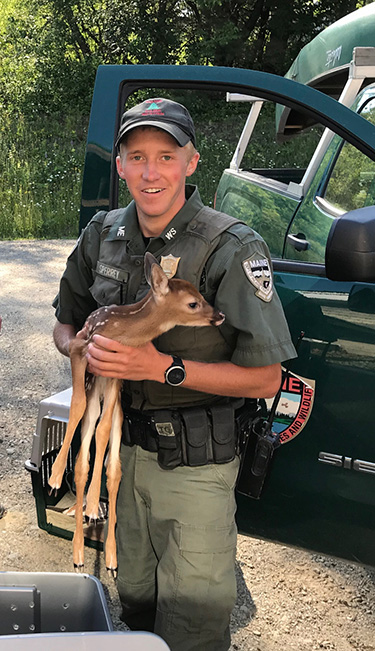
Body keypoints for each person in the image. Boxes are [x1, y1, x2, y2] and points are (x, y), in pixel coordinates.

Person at [52, 97, 296, 651]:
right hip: (123, 458)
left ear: (192, 162)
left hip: (194, 468)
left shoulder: (230, 246)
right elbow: (64, 325)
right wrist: (79, 350)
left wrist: (163, 368)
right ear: (119, 166)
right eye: (136, 156)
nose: (150, 171)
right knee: (134, 606)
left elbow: (266, 380)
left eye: (166, 155)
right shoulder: (103, 233)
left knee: (190, 625)